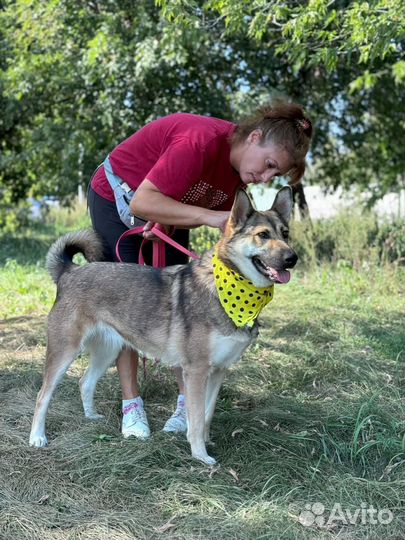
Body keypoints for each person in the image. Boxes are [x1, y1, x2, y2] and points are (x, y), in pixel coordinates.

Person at [88, 100, 313, 439]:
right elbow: (142, 202)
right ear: (254, 136)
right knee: (128, 300)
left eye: (275, 174)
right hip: (118, 195)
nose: (265, 178)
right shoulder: (199, 142)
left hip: (166, 207)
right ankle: (131, 403)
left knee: (183, 310)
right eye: (268, 164)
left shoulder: (239, 176)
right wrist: (207, 216)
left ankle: (185, 403)